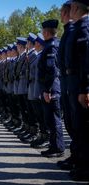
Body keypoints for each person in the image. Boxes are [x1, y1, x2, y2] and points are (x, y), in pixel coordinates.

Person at [65, 0, 89, 181]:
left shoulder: (83, 27)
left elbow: (86, 61)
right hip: (73, 82)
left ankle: (84, 166)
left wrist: (85, 88)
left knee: (83, 126)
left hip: (79, 83)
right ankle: (79, 162)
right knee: (76, 124)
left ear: (75, 8)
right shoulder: (78, 27)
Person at [38, 19, 65, 158]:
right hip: (49, 88)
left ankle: (58, 148)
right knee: (50, 119)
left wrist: (47, 90)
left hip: (52, 88)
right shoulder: (51, 45)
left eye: (43, 31)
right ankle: (53, 146)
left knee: (54, 120)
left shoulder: (52, 46)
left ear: (47, 32)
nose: (42, 33)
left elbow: (52, 70)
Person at [57, 0, 76, 170]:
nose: (60, 16)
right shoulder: (69, 31)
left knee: (76, 125)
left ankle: (81, 161)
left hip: (73, 85)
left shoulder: (74, 30)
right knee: (70, 123)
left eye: (62, 13)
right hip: (68, 85)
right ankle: (76, 157)